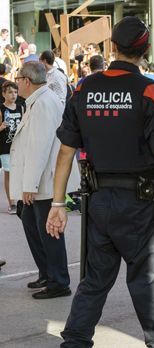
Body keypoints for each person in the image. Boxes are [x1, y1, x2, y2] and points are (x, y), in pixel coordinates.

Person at [48, 16, 154, 347]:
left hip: (98, 203)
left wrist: (57, 204)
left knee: (94, 281)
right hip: (139, 205)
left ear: (112, 47)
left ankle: (74, 341)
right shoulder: (150, 91)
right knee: (149, 284)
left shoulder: (83, 88)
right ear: (145, 50)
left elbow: (65, 153)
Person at [10, 62, 75, 299]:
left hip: (45, 182)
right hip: (41, 180)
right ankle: (48, 272)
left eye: (18, 78)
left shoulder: (43, 104)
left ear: (26, 81)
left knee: (49, 230)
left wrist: (30, 186)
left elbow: (39, 148)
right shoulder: (37, 101)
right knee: (30, 221)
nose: (15, 83)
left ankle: (59, 281)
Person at [0, 81, 24, 214]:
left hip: (19, 146)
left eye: (15, 92)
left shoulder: (21, 107)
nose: (13, 95)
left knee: (20, 173)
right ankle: (12, 203)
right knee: (9, 173)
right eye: (10, 92)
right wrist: (2, 127)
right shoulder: (1, 109)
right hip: (5, 146)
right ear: (3, 94)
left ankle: (20, 200)